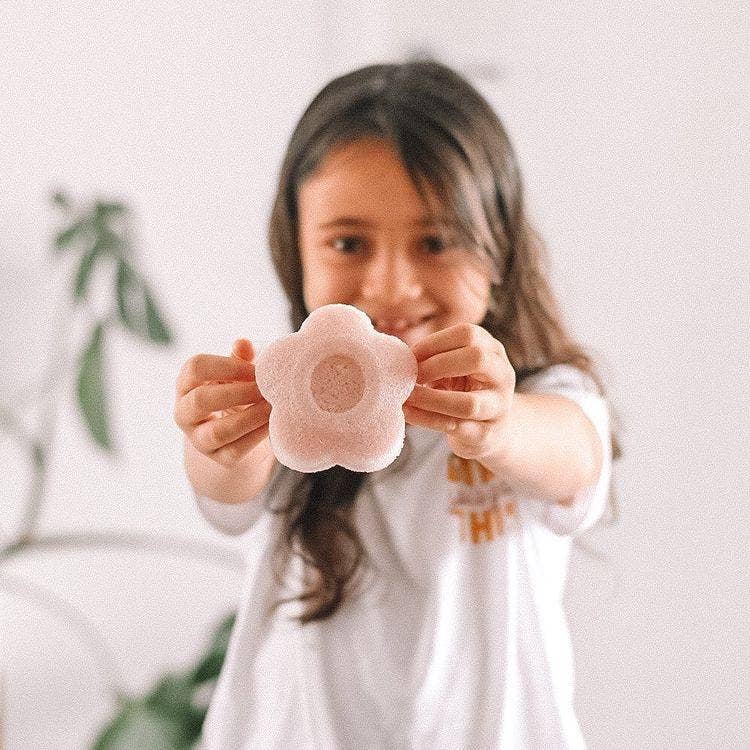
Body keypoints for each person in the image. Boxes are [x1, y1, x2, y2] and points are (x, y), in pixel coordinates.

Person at [173, 59, 622, 750]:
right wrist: (221, 439)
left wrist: (499, 427)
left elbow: (576, 456)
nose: (390, 285)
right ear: (296, 250)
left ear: (498, 249)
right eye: (348, 243)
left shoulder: (537, 398)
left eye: (435, 242)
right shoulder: (289, 402)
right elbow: (226, 492)